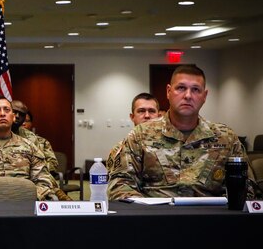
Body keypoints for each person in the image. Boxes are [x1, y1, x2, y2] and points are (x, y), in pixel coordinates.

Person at [108, 65, 253, 200]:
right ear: (168, 92)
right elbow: (120, 184)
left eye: (196, 89)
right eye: (181, 88)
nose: (188, 95)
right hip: (155, 220)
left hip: (211, 220)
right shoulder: (140, 135)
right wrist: (147, 213)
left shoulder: (225, 138)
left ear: (204, 96)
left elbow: (247, 189)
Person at [105, 93, 160, 170]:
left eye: (151, 111)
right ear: (132, 117)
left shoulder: (172, 146)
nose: (147, 115)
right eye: (141, 111)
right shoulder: (121, 149)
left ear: (159, 116)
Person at [11, 99, 59, 174]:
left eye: (26, 121)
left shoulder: (37, 140)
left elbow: (52, 164)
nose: (17, 117)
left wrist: (34, 169)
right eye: (14, 112)